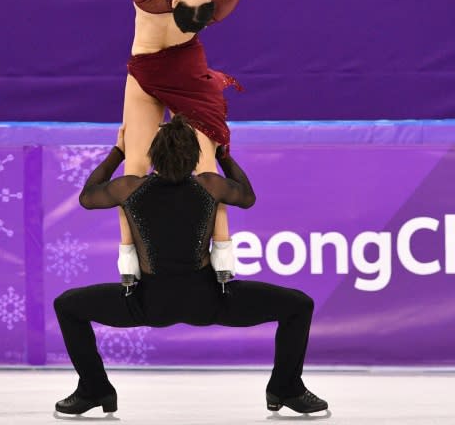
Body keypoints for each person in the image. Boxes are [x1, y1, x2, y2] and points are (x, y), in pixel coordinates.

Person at [53, 116, 329, 417]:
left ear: (153, 155)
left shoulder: (129, 188)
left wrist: (118, 152)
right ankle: (284, 388)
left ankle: (95, 389)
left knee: (67, 306)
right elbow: (247, 196)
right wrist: (224, 155)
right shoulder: (210, 186)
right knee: (299, 306)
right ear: (195, 157)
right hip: (209, 300)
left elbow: (87, 196)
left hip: (147, 303)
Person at [115, 0, 270, 287]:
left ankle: (223, 252)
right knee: (135, 163)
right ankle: (127, 253)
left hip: (189, 80)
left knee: (204, 169)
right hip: (145, 76)